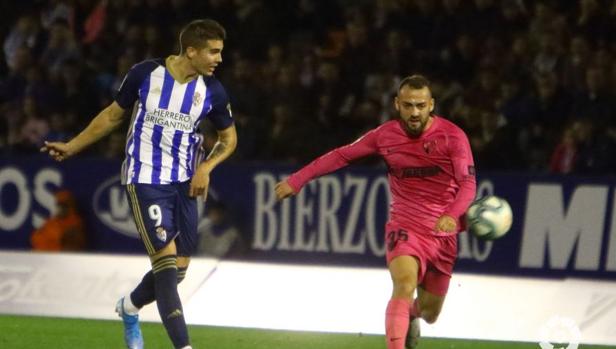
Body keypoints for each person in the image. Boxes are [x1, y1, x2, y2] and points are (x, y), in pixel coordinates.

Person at [41, 19, 237, 349]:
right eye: (213, 52)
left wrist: (207, 166)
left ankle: (129, 307)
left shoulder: (213, 91)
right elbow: (113, 116)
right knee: (164, 265)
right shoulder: (146, 74)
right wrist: (73, 145)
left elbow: (229, 138)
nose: (219, 58)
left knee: (177, 272)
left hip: (185, 184)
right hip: (144, 178)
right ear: (191, 51)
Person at [274, 75, 476, 349]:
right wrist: (297, 180)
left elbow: (468, 183)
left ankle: (410, 315)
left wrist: (452, 214)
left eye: (420, 105)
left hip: (443, 233)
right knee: (404, 284)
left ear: (431, 105)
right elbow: (342, 155)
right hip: (405, 226)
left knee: (430, 313)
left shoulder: (452, 137)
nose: (414, 112)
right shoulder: (385, 136)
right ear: (397, 104)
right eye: (408, 105)